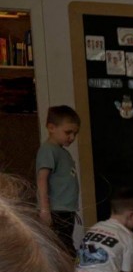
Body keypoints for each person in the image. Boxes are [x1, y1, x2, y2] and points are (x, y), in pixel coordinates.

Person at [35, 105, 81, 257]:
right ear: (51, 128)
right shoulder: (48, 149)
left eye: (75, 133)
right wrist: (44, 209)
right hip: (56, 210)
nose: (72, 137)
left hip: (66, 210)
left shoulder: (62, 152)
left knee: (65, 244)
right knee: (63, 247)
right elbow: (42, 179)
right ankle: (71, 270)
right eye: (68, 132)